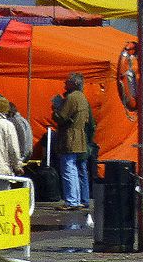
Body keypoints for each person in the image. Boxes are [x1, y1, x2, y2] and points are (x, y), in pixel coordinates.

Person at [53, 72, 92, 209]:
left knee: (68, 169)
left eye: (67, 82)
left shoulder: (72, 97)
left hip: (70, 136)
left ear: (73, 83)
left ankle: (72, 200)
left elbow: (61, 117)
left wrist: (56, 109)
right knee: (74, 169)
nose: (65, 84)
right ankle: (76, 199)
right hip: (79, 135)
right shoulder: (82, 97)